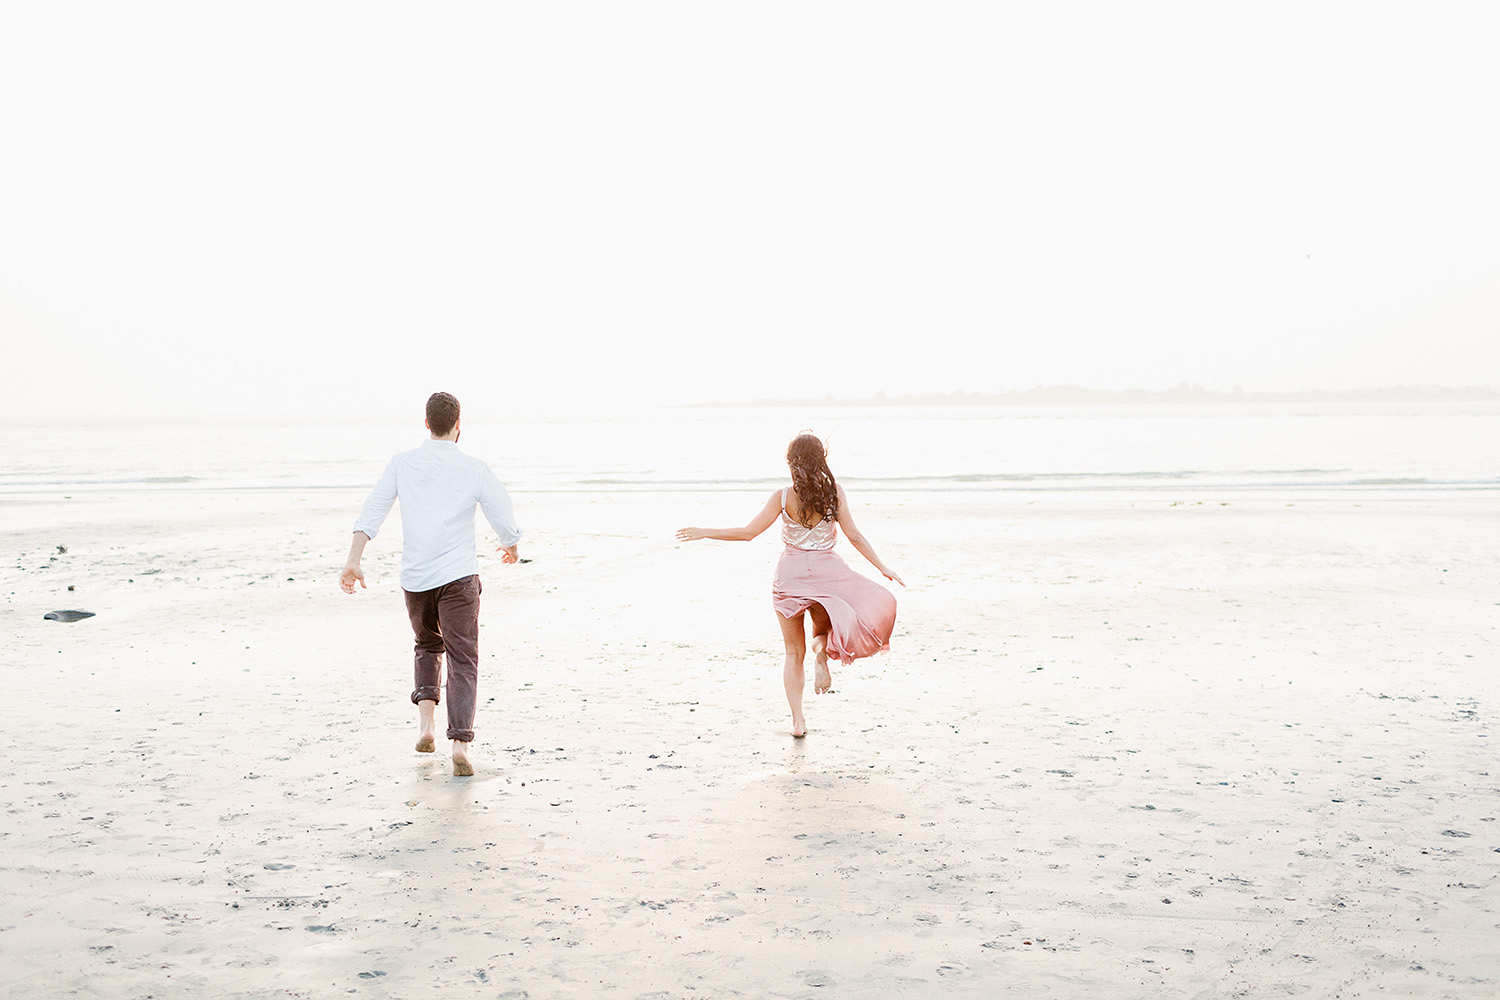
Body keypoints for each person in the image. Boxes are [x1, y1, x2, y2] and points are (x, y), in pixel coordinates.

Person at [339, 392, 521, 776]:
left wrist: (353, 560)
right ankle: (460, 746)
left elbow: (373, 510)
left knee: (426, 645)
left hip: (416, 578)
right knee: (463, 658)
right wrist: (510, 543)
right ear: (458, 426)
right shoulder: (474, 468)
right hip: (458, 577)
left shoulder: (402, 463)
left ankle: (426, 726)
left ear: (426, 424)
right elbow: (501, 512)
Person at [676, 433, 903, 737]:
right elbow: (855, 536)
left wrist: (704, 531)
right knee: (821, 632)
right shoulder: (834, 493)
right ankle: (822, 655)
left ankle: (797, 721)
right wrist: (882, 566)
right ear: (821, 458)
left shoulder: (783, 497)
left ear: (791, 462)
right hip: (828, 574)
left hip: (791, 577)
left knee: (792, 653)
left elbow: (748, 533)